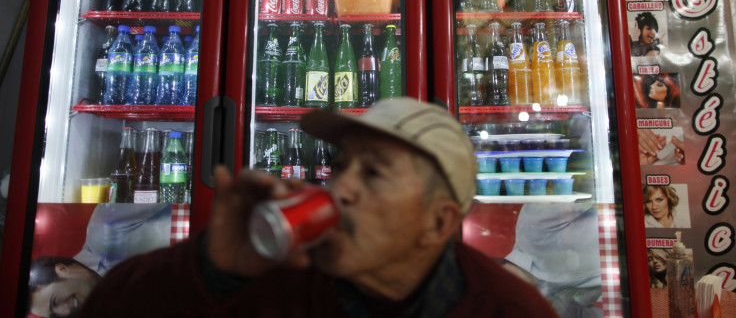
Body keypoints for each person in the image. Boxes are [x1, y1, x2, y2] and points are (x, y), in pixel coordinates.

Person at [79, 98, 559, 317]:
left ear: (438, 222)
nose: (340, 187)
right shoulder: (279, 278)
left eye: (372, 173)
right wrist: (207, 268)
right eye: (341, 165)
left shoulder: (508, 308)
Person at [28, 203, 172, 317]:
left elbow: (172, 183)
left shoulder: (104, 228)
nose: (65, 312)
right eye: (54, 315)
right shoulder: (114, 304)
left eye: (55, 302)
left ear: (62, 270)